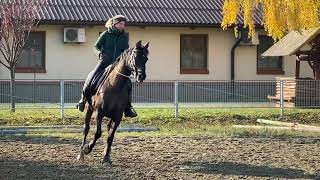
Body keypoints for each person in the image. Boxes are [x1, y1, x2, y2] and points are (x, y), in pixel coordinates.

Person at [76, 15, 137, 117]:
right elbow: (96, 47)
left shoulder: (125, 36)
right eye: (121, 24)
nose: (123, 26)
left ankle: (128, 107)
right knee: (92, 76)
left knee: (128, 83)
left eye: (124, 24)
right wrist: (100, 54)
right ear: (115, 24)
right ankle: (82, 100)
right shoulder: (106, 34)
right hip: (105, 62)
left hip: (118, 65)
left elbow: (126, 51)